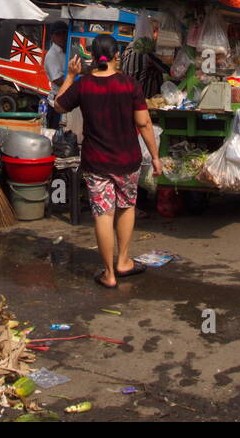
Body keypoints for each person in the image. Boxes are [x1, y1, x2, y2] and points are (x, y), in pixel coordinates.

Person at [53, 34, 162, 288]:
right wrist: (155, 157)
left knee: (103, 214)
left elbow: (58, 106)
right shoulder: (130, 84)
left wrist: (70, 75)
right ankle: (123, 261)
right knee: (126, 207)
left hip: (96, 161)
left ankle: (109, 274)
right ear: (117, 56)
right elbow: (144, 123)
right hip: (127, 160)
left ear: (92, 56)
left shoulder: (84, 84)